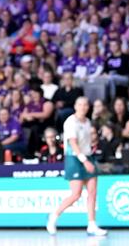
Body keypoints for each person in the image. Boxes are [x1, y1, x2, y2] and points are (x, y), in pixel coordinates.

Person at [46, 97, 107, 236]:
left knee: (92, 192)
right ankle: (53, 217)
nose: (83, 107)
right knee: (76, 194)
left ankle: (91, 225)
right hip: (74, 158)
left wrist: (89, 157)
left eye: (86, 104)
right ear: (75, 106)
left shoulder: (88, 122)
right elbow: (73, 143)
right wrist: (84, 161)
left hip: (87, 156)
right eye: (80, 104)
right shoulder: (70, 122)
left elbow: (86, 142)